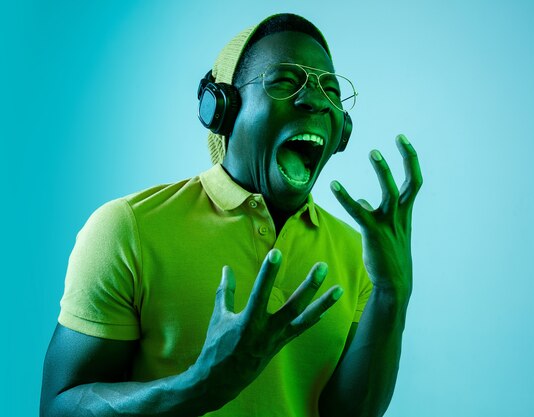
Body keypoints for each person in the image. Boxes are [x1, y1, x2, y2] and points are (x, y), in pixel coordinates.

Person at [41, 13, 423, 417]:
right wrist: (198, 386)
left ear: (342, 130)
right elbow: (58, 408)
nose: (314, 100)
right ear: (222, 109)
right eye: (283, 82)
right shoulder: (127, 228)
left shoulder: (357, 253)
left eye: (330, 91)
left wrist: (391, 295)